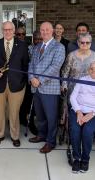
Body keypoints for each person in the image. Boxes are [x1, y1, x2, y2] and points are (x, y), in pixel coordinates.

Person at [0, 21, 29, 147]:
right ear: (2, 31)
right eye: (5, 29)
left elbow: (25, 65)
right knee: (0, 112)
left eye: (10, 29)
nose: (7, 32)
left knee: (14, 112)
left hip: (16, 85)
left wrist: (22, 81)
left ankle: (15, 136)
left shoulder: (22, 45)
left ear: (14, 30)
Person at [28, 22, 65, 153]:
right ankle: (41, 134)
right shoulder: (37, 46)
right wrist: (31, 78)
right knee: (40, 115)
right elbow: (31, 63)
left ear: (52, 31)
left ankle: (50, 141)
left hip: (49, 88)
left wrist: (39, 80)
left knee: (51, 117)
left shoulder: (59, 47)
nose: (44, 32)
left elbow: (55, 67)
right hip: (35, 87)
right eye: (42, 30)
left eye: (47, 30)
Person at [69, 60, 95, 173]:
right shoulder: (82, 80)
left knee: (87, 131)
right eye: (91, 68)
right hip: (78, 110)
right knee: (75, 130)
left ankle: (85, 159)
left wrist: (92, 114)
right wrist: (78, 111)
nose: (93, 71)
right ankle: (77, 158)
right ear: (88, 70)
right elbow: (73, 97)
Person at [61, 32, 95, 103]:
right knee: (73, 110)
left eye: (87, 42)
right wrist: (64, 85)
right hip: (73, 89)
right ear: (78, 43)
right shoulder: (71, 55)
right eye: (82, 42)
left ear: (90, 43)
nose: (85, 44)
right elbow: (65, 72)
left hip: (89, 90)